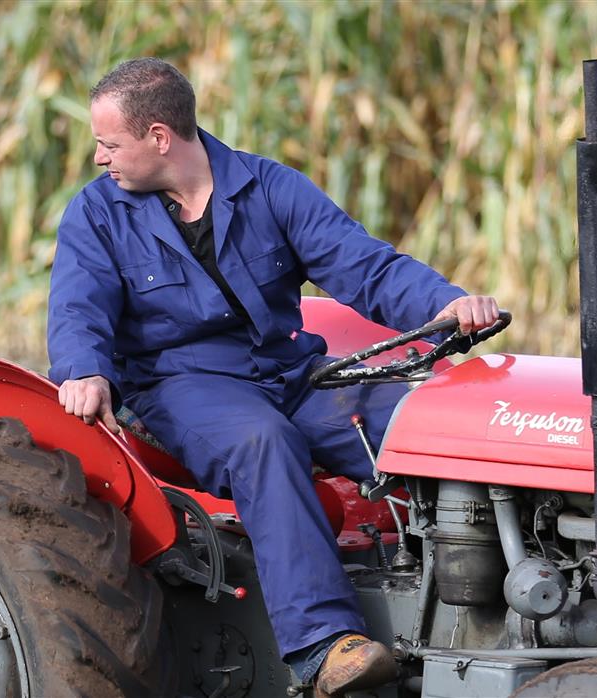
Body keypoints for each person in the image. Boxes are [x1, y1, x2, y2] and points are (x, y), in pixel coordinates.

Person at [48, 57, 500, 697]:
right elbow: (78, 307)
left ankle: (495, 602)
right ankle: (324, 647)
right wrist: (84, 371)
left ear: (159, 137)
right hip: (184, 387)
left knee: (416, 424)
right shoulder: (98, 214)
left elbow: (364, 266)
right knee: (263, 441)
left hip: (291, 373)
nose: (100, 158)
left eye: (109, 143)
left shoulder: (269, 187)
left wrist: (446, 304)